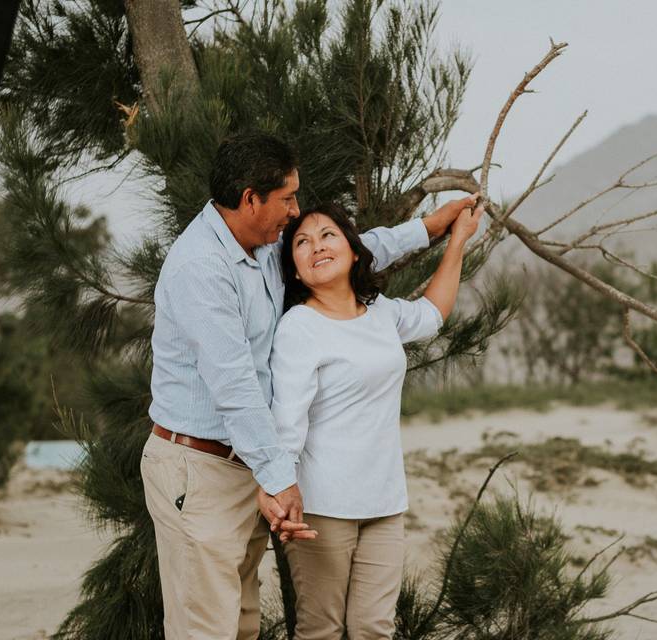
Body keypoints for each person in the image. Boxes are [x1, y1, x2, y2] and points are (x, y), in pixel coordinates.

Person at [140, 130, 476, 640]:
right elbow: (236, 388)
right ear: (251, 199)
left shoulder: (259, 244)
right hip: (198, 468)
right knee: (204, 630)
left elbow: (350, 249)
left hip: (243, 465)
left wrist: (431, 227)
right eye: (287, 199)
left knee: (240, 625)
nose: (295, 212)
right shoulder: (201, 268)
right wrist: (280, 478)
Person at [268, 199, 482, 640]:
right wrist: (279, 493)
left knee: (373, 630)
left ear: (352, 248)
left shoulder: (380, 312)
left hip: (384, 502)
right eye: (302, 243)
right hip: (322, 507)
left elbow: (432, 314)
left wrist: (456, 240)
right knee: (320, 630)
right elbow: (287, 425)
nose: (317, 247)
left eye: (328, 235)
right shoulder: (298, 327)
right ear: (294, 270)